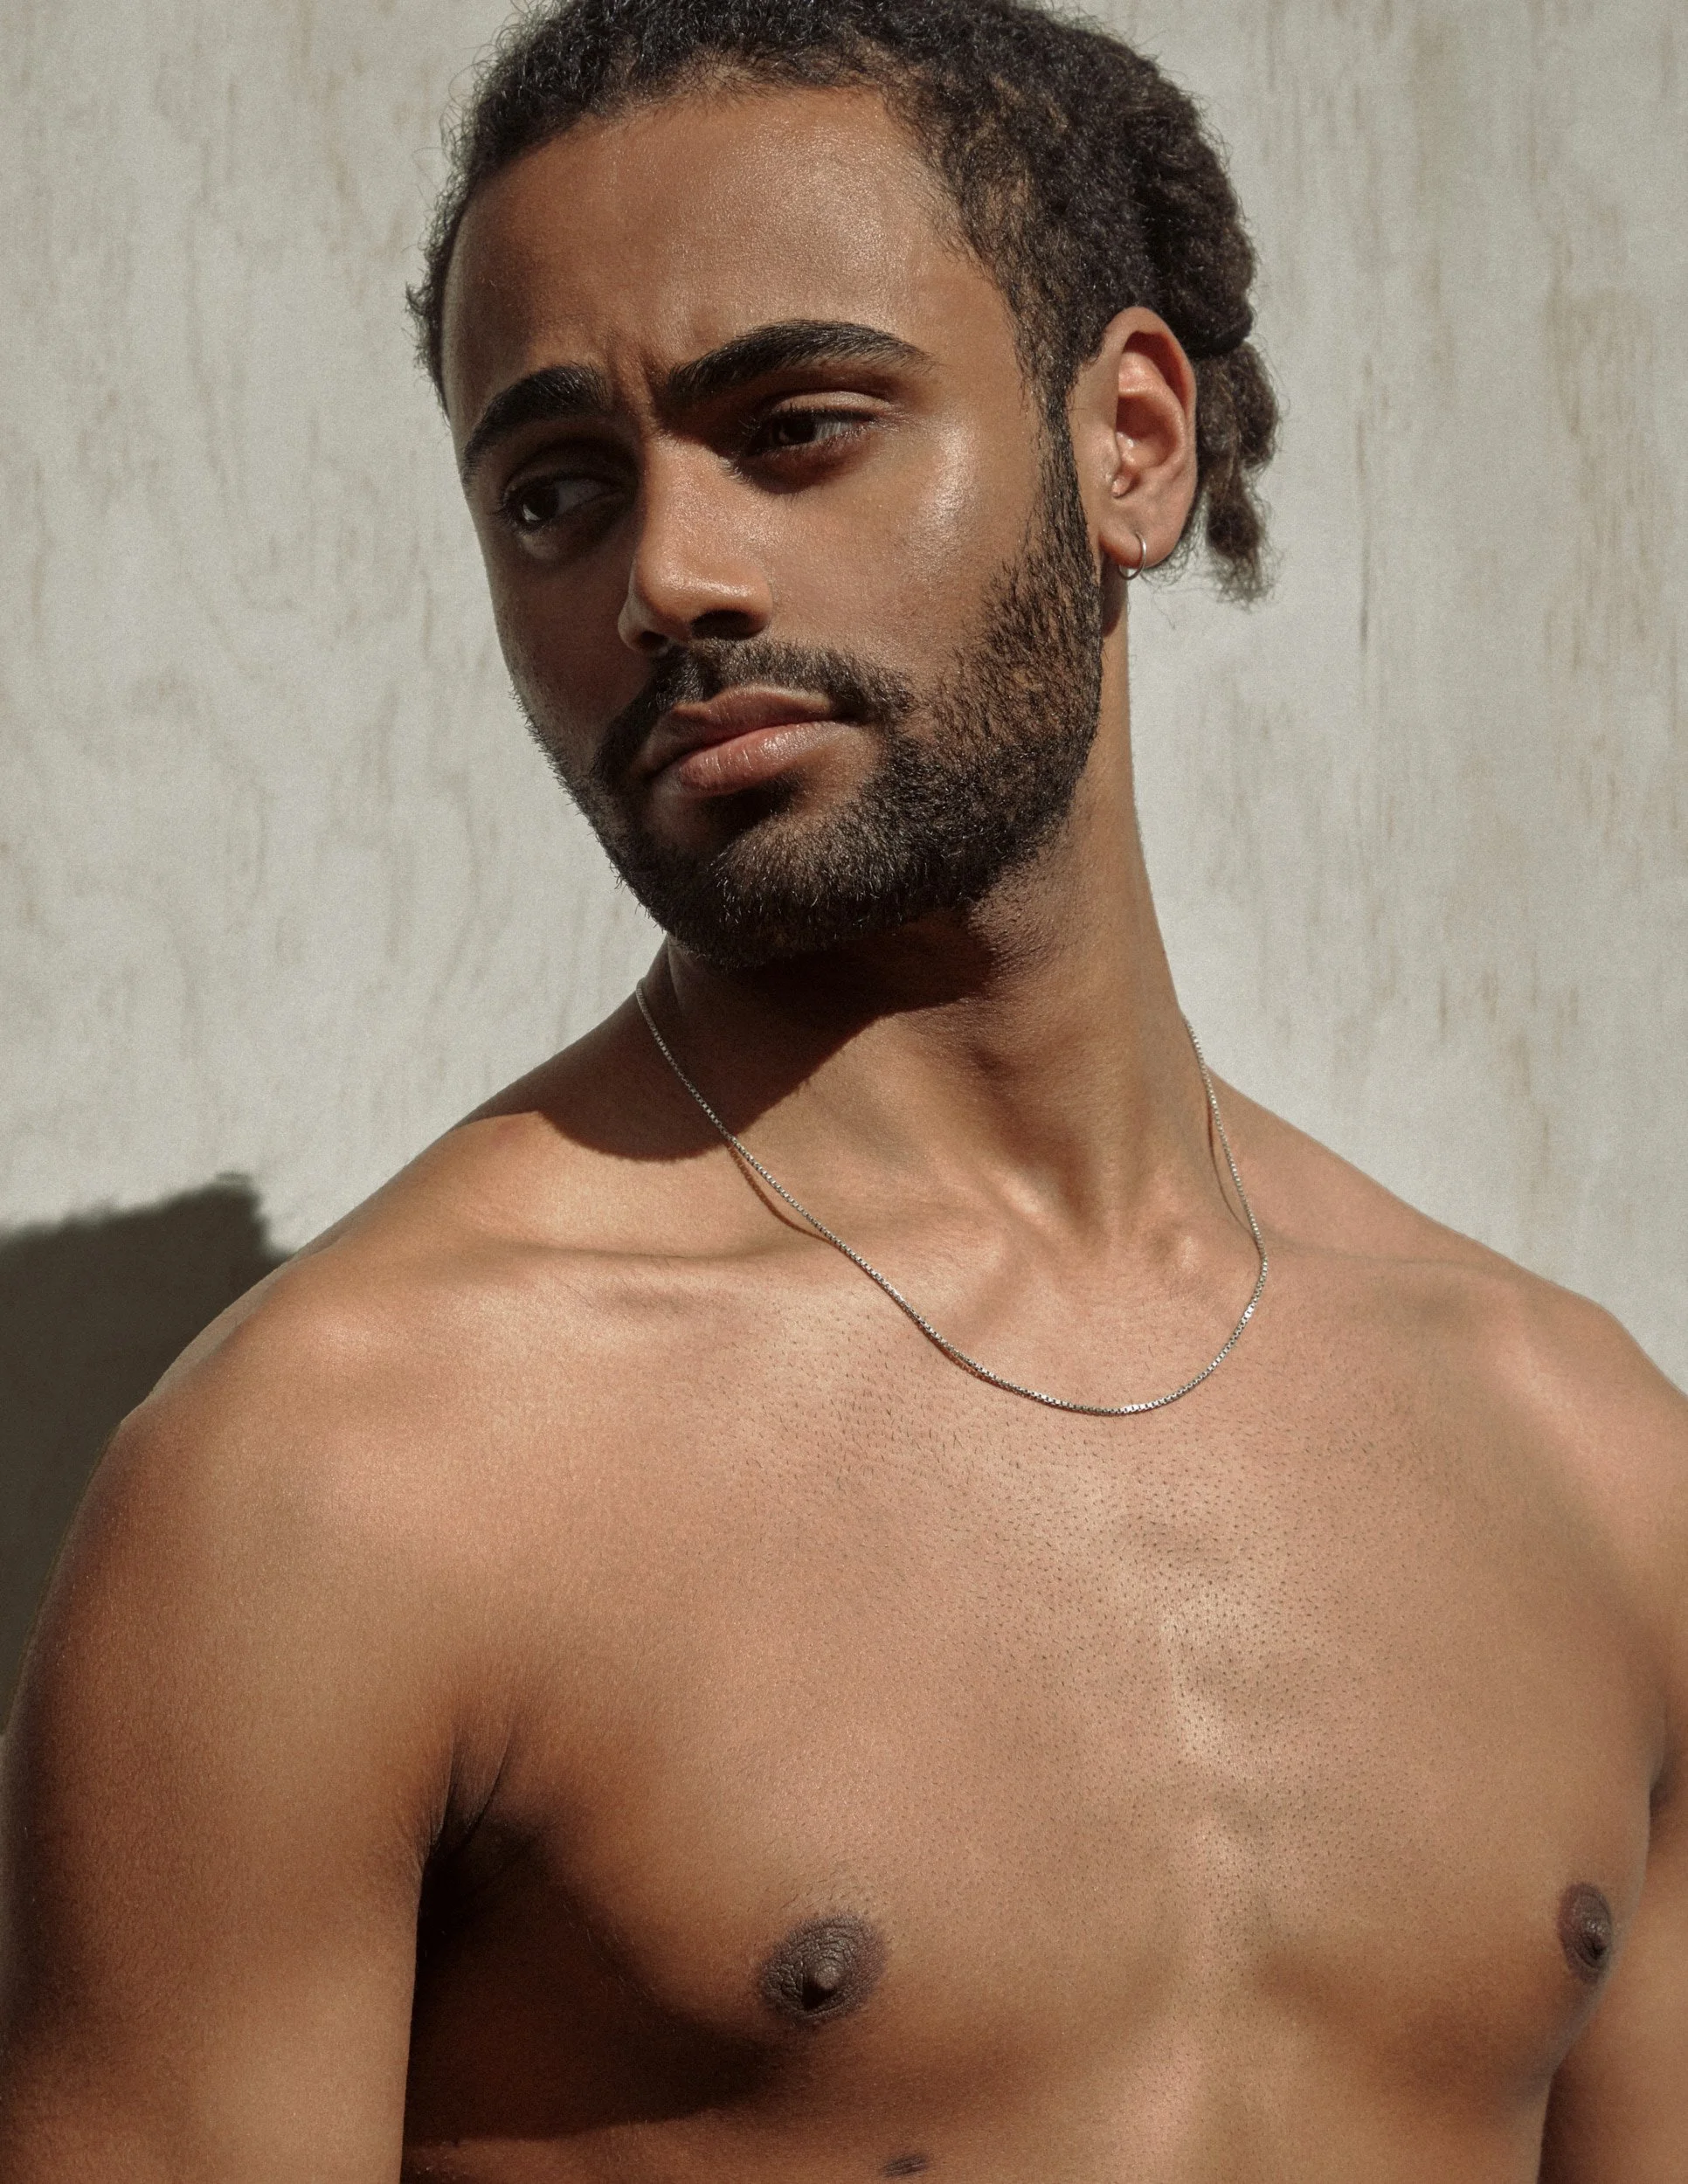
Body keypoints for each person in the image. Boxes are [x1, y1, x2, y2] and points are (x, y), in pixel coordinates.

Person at [3, 0, 1684, 2173]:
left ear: (1132, 442)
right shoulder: (339, 1481)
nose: (667, 579)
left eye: (796, 428)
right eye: (555, 493)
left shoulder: (1586, 1456)